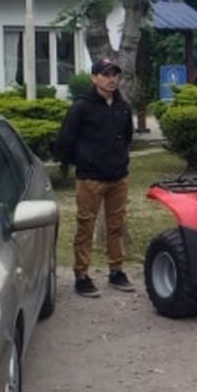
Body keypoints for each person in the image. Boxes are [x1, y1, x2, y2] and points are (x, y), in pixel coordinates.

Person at [55, 56, 135, 298]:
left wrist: (121, 160)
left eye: (114, 74)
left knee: (116, 226)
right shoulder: (82, 106)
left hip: (118, 176)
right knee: (85, 226)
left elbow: (128, 137)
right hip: (90, 178)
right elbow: (66, 140)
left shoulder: (123, 106)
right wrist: (79, 163)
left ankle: (116, 271)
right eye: (105, 74)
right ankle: (81, 274)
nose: (111, 79)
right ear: (94, 78)